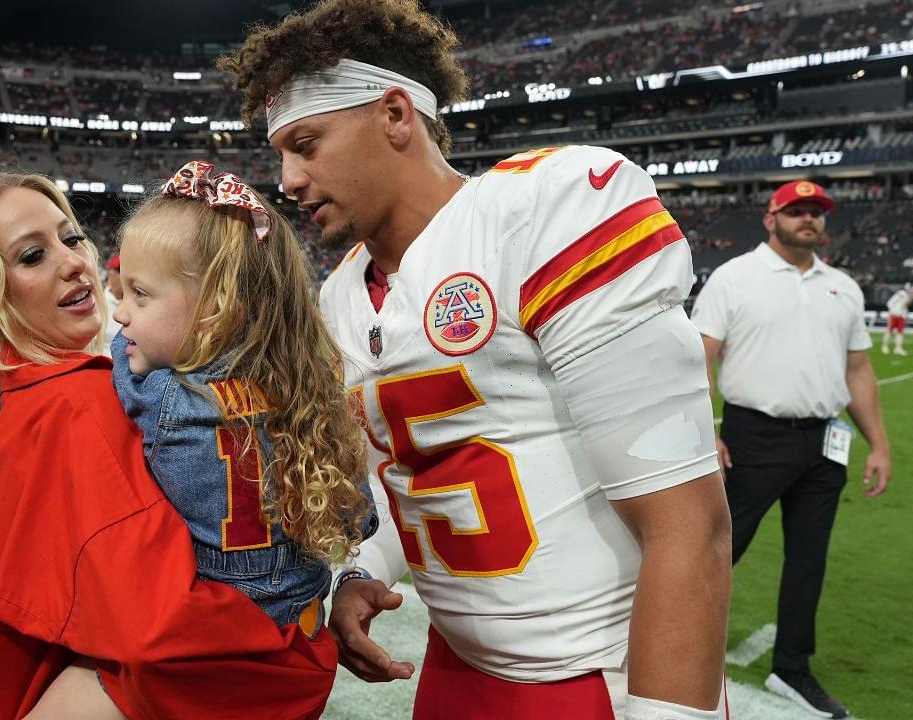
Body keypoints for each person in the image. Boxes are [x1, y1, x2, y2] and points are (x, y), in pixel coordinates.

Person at [220, 1, 732, 718]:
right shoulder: (341, 298)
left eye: (306, 143)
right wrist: (368, 569)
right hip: (457, 670)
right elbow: (414, 475)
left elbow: (688, 522)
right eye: (281, 153)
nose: (291, 178)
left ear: (396, 115)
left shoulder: (543, 214)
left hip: (600, 675)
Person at [0, 173, 337, 719]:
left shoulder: (39, 391)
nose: (72, 262)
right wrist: (303, 632)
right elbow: (159, 626)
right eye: (33, 255)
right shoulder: (81, 402)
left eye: (71, 236)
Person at [109, 159, 375, 637]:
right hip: (305, 621)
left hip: (215, 626)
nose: (121, 314)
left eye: (139, 294)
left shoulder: (164, 393)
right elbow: (361, 519)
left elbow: (113, 368)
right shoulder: (310, 387)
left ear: (214, 310)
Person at [692, 180, 892, 719]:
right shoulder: (735, 278)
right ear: (770, 217)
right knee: (714, 551)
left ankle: (792, 668)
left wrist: (879, 445)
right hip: (752, 436)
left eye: (816, 212)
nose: (808, 219)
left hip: (825, 441)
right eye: (796, 210)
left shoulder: (844, 286)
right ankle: (666, 642)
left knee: (809, 559)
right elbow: (698, 360)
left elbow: (858, 371)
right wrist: (704, 430)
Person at [102, 253, 123, 350]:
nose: (125, 274)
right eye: (120, 270)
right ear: (110, 274)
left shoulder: (141, 304)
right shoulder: (98, 304)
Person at [882, 283, 909, 355]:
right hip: (893, 315)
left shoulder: (908, 296)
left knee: (900, 333)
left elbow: (904, 306)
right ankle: (885, 346)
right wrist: (893, 312)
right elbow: (890, 303)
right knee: (889, 331)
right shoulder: (901, 293)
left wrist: (904, 315)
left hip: (901, 316)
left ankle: (898, 348)